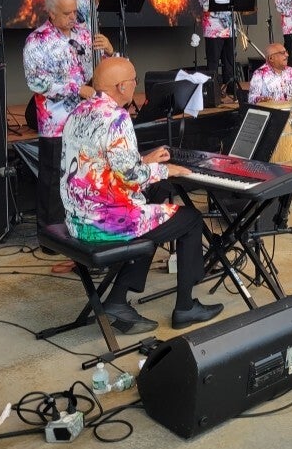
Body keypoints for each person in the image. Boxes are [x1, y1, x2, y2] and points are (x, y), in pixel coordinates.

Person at [60, 57, 223, 332]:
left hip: (78, 217)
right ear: (122, 86)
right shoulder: (117, 118)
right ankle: (185, 307)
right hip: (104, 224)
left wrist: (144, 160)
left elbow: (103, 163)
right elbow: (130, 176)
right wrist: (166, 170)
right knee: (191, 219)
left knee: (154, 208)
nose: (137, 84)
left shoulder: (80, 112)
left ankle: (117, 300)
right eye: (134, 79)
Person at [23, 0, 114, 235]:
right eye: (67, 13)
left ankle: (80, 228)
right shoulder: (37, 41)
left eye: (75, 11)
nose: (73, 17)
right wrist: (77, 89)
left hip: (85, 119)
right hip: (56, 121)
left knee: (83, 175)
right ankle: (51, 235)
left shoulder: (84, 35)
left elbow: (105, 71)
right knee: (54, 179)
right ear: (51, 13)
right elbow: (36, 82)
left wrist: (109, 51)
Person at [198, 0, 237, 103]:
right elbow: (206, 7)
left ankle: (231, 88)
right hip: (214, 30)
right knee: (213, 62)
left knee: (229, 61)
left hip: (230, 29)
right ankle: (213, 92)